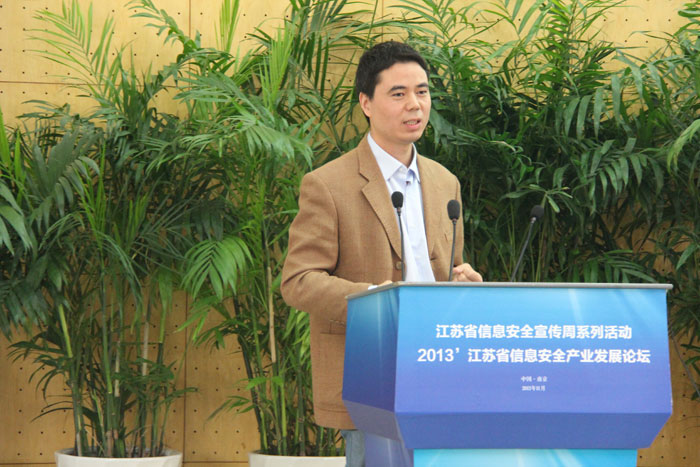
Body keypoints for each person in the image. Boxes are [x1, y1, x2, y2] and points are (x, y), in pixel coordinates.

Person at [280, 41, 482, 466]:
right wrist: (374, 300)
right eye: (399, 93)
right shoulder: (328, 184)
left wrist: (463, 285)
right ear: (366, 103)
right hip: (370, 373)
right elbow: (298, 280)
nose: (415, 105)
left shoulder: (445, 182)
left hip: (438, 368)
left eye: (422, 92)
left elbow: (448, 268)